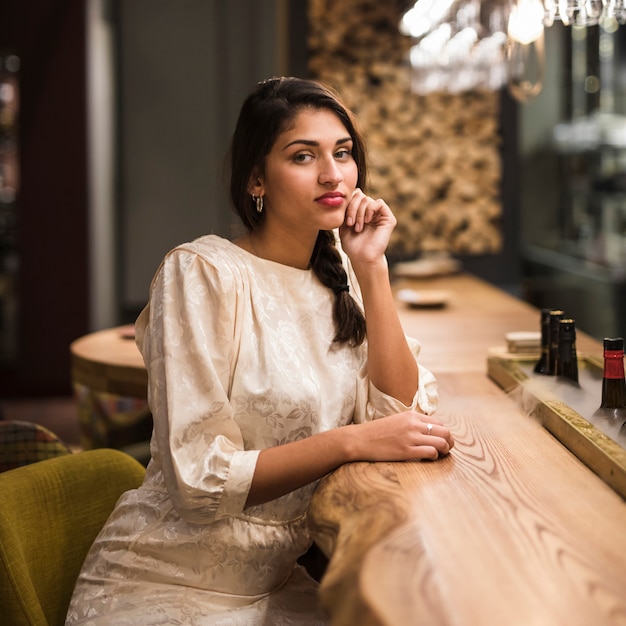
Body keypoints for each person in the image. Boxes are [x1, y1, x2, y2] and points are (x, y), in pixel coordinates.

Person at [66, 76, 454, 625]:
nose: (332, 174)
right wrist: (348, 441)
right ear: (257, 178)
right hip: (165, 585)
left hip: (273, 588)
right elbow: (200, 480)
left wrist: (371, 266)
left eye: (343, 153)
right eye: (303, 156)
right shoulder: (202, 273)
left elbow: (401, 416)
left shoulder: (339, 272)